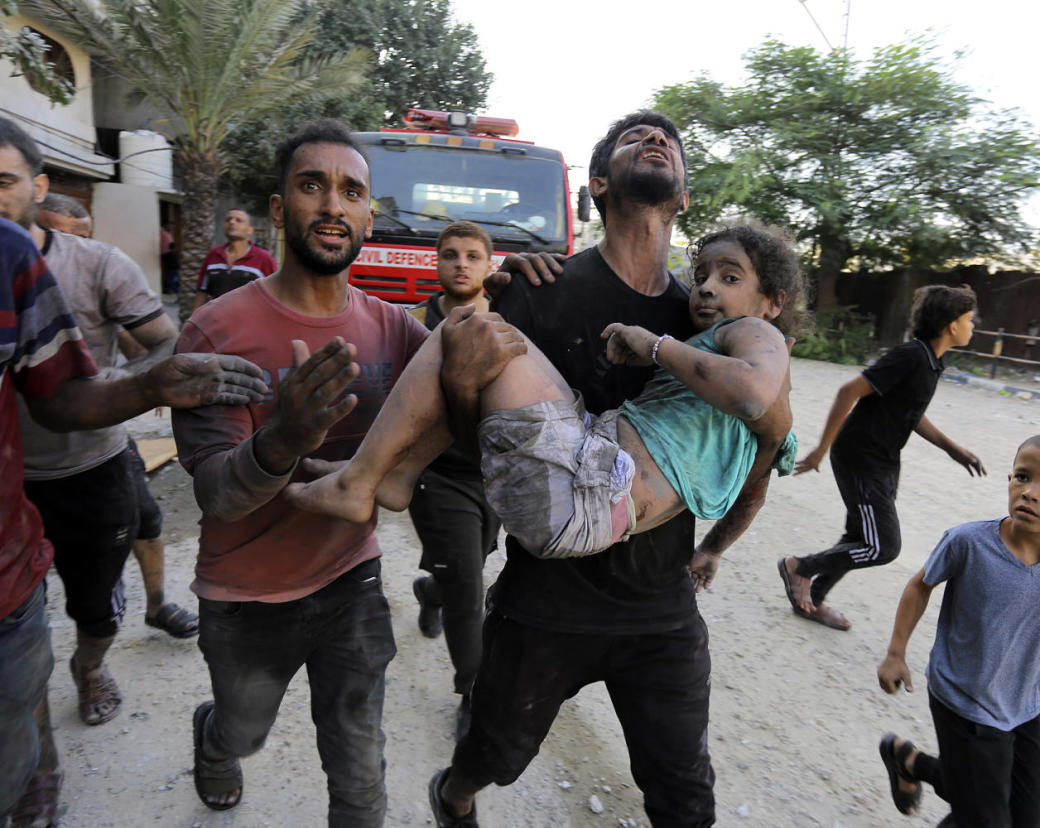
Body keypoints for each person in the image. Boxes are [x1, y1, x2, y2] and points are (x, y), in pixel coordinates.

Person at [434, 110, 730, 828]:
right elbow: (475, 433)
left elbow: (763, 432)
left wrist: (717, 545)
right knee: (493, 756)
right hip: (547, 599)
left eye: (670, 142)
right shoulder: (541, 287)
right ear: (598, 183)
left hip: (660, 608)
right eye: (634, 140)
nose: (656, 141)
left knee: (685, 796)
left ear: (684, 194)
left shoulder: (707, 323)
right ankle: (453, 794)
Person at [0, 118, 267, 828]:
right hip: (15, 485)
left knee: (90, 605)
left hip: (86, 465)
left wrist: (148, 385)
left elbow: (159, 348)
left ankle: (90, 667)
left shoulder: (69, 265)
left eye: (3, 182)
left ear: (40, 188)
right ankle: (36, 755)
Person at [171, 119, 429, 825]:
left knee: (359, 771)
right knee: (244, 731)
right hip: (246, 595)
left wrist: (532, 287)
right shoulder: (217, 331)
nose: (333, 205)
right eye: (312, 185)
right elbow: (217, 497)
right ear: (280, 210)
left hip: (353, 578)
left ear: (369, 216)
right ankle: (215, 740)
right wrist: (282, 437)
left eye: (352, 192)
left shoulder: (396, 329)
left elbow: (468, 380)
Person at [287, 222, 801, 554]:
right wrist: (712, 550)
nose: (708, 286)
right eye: (704, 273)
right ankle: (391, 476)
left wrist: (653, 344)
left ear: (772, 302)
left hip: (587, 489)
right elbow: (755, 481)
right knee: (480, 340)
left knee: (465, 328)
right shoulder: (731, 353)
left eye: (730, 278)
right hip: (590, 495)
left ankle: (367, 480)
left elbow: (753, 393)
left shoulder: (752, 333)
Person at [875, 434, 1040, 826]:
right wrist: (896, 653)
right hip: (963, 702)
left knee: (1025, 818)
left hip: (1023, 706)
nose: (1030, 493)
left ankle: (910, 762)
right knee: (985, 816)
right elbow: (920, 585)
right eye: (1022, 477)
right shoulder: (968, 542)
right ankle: (919, 767)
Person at [34, 189, 200, 642]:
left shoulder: (96, 265)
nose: (74, 245)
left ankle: (158, 603)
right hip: (29, 457)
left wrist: (137, 383)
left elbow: (141, 339)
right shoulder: (22, 269)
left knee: (145, 518)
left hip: (98, 440)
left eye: (82, 237)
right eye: (60, 235)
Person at [777, 285, 985, 631]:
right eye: (968, 320)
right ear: (951, 325)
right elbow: (849, 391)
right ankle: (800, 567)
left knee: (861, 536)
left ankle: (812, 602)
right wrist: (820, 450)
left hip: (885, 459)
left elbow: (911, 411)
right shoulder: (911, 356)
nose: (972, 326)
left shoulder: (933, 362)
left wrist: (953, 449)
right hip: (861, 456)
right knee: (882, 547)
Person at [405, 221, 502, 739]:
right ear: (436, 264)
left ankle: (430, 591)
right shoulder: (414, 325)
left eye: (471, 255)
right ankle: (472, 693)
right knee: (470, 584)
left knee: (467, 566)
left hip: (493, 477)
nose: (460, 263)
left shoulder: (509, 322)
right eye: (449, 255)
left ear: (489, 265)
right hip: (437, 476)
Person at [191, 207, 277, 309]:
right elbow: (202, 291)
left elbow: (277, 293)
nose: (232, 222)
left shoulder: (263, 258)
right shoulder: (213, 255)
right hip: (215, 323)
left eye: (238, 220)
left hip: (249, 323)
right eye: (228, 219)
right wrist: (193, 322)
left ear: (250, 230)